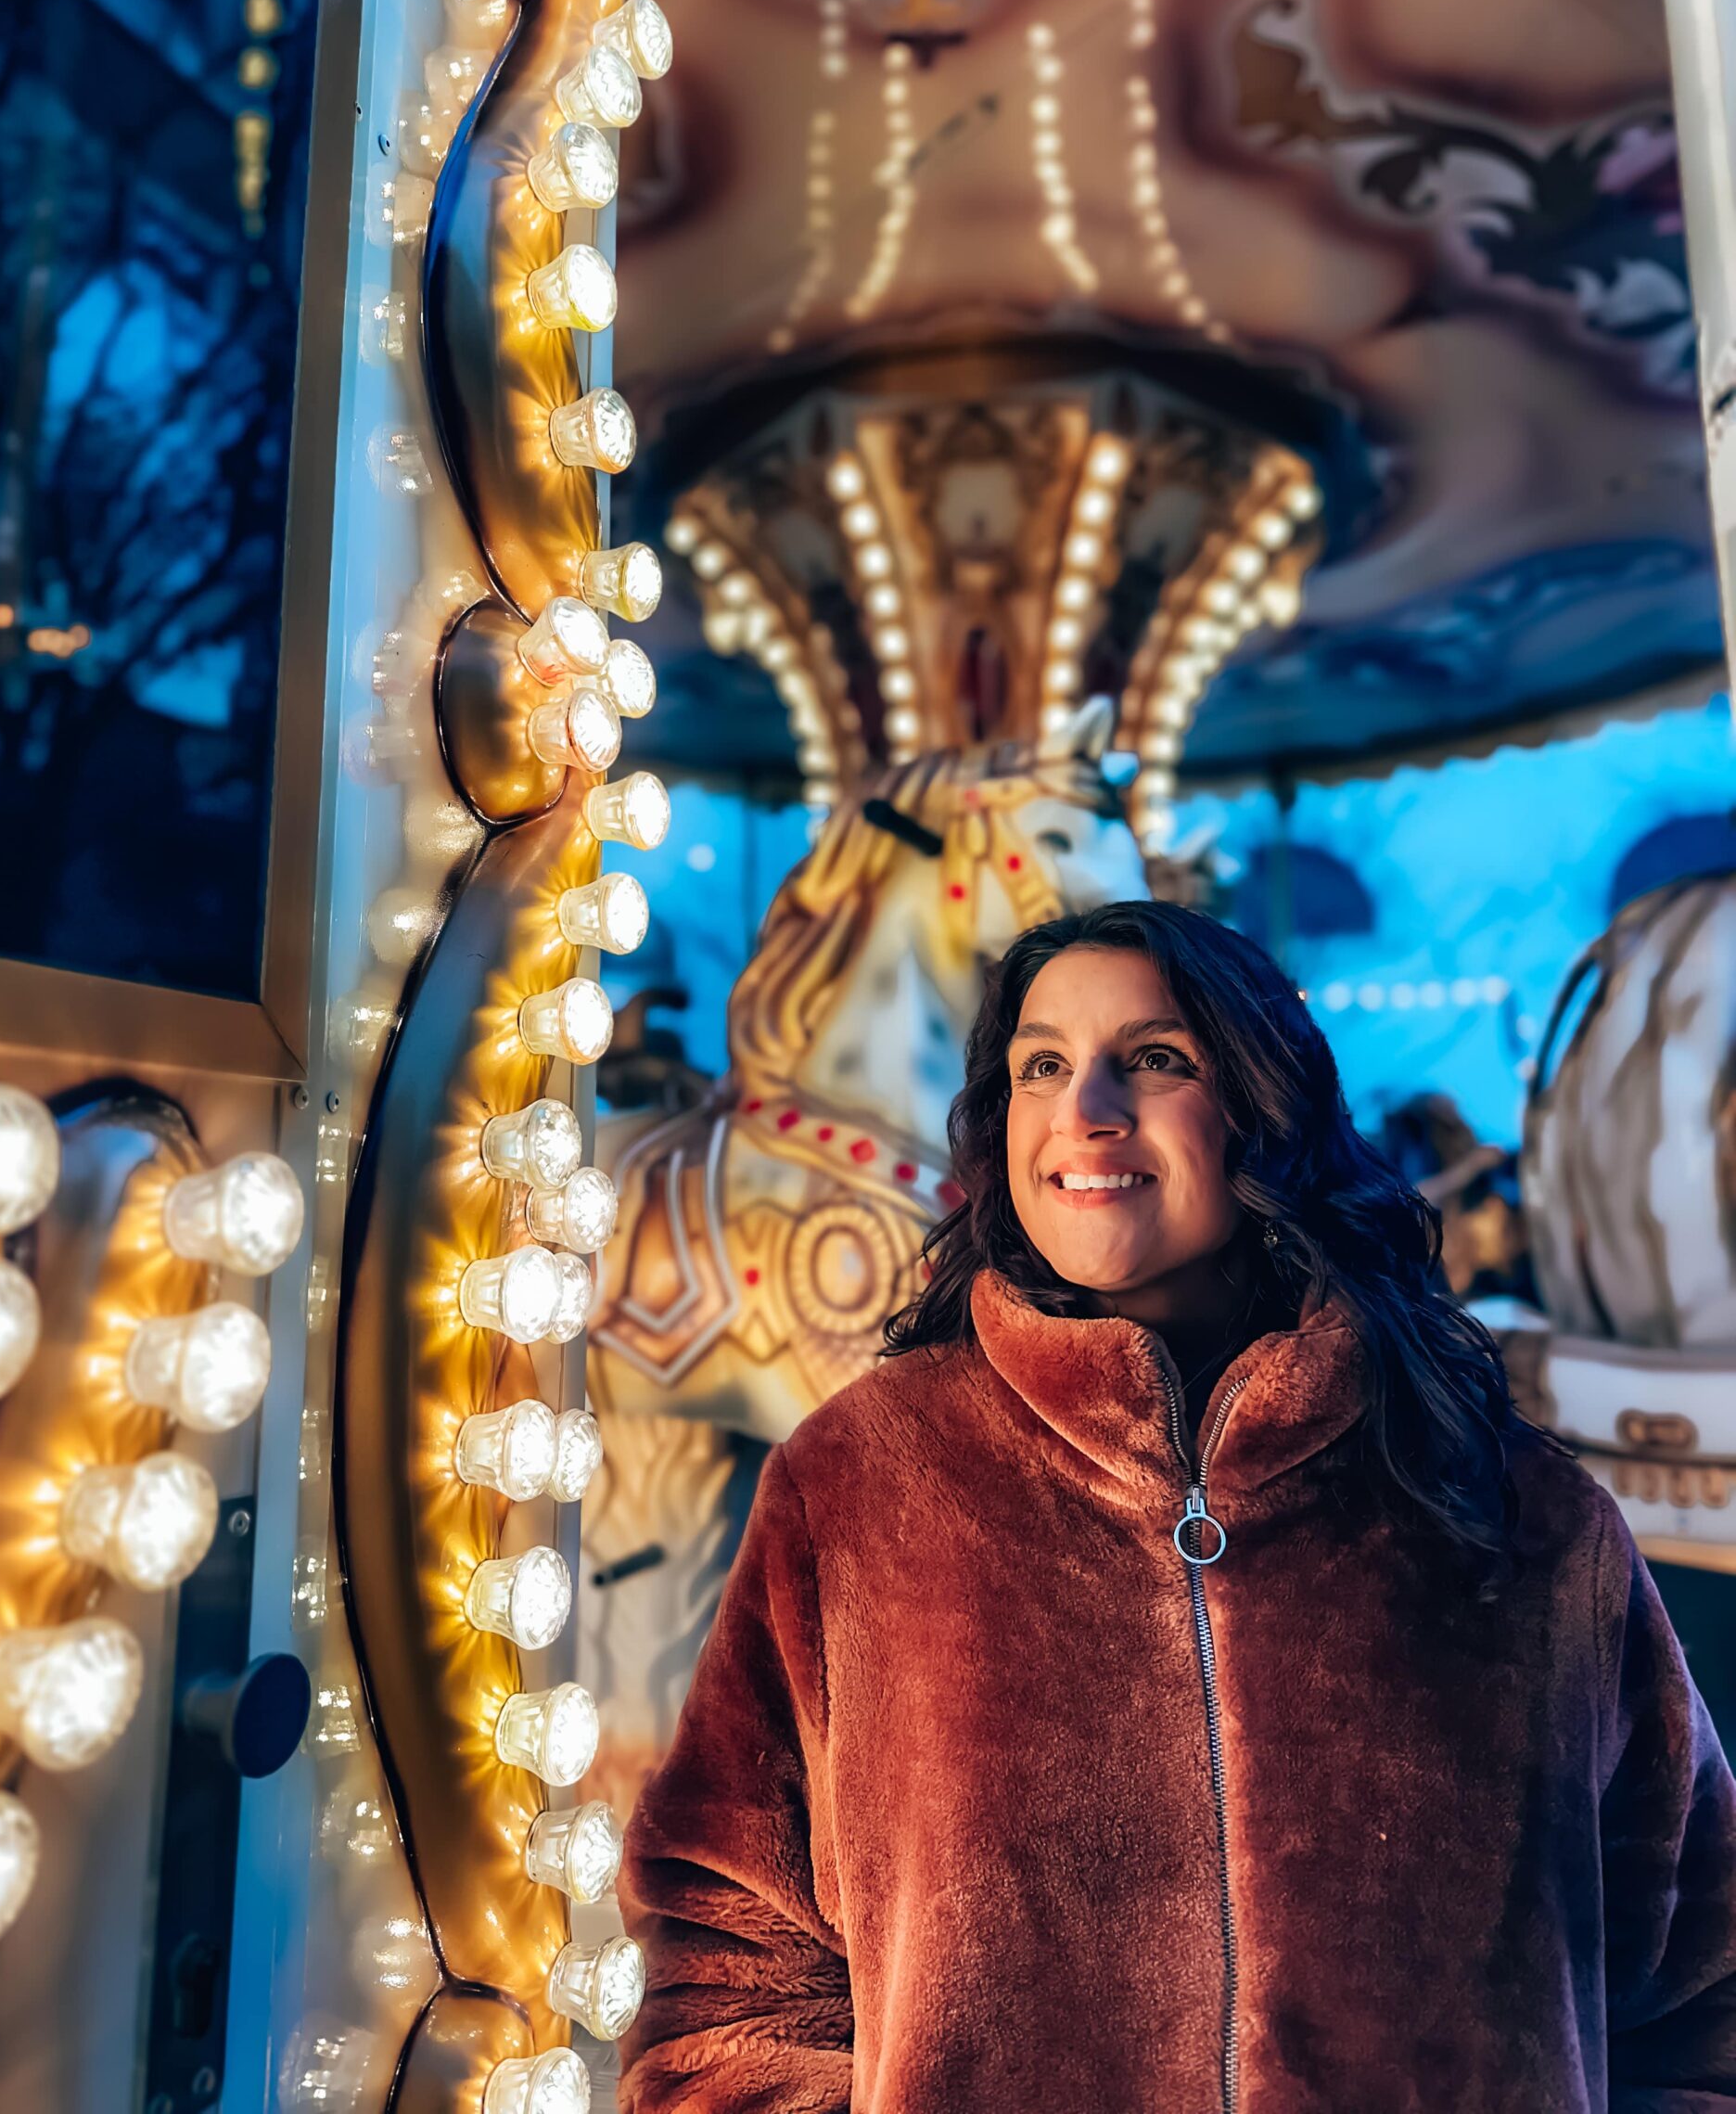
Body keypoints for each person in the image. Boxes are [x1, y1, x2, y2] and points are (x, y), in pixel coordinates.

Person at [616, 901, 1736, 2112]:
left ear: (1263, 1104)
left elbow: (1700, 1988)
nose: (1084, 1107)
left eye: (1154, 1059)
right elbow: (729, 1966)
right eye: (1040, 1064)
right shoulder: (863, 1484)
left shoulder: (1520, 1512)